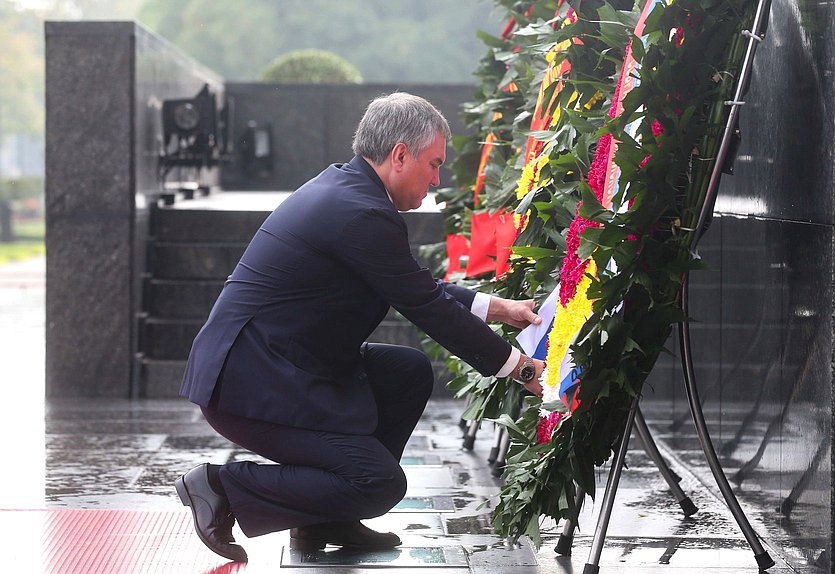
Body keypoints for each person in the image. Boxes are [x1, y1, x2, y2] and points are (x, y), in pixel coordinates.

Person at [175, 92, 546, 562]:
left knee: (406, 372)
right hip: (247, 382)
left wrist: (498, 308)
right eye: (433, 165)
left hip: (285, 363)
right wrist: (524, 371)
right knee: (379, 483)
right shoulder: (360, 212)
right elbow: (425, 306)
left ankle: (324, 517)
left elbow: (412, 286)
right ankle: (220, 486)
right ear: (399, 155)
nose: (437, 179)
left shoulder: (351, 192)